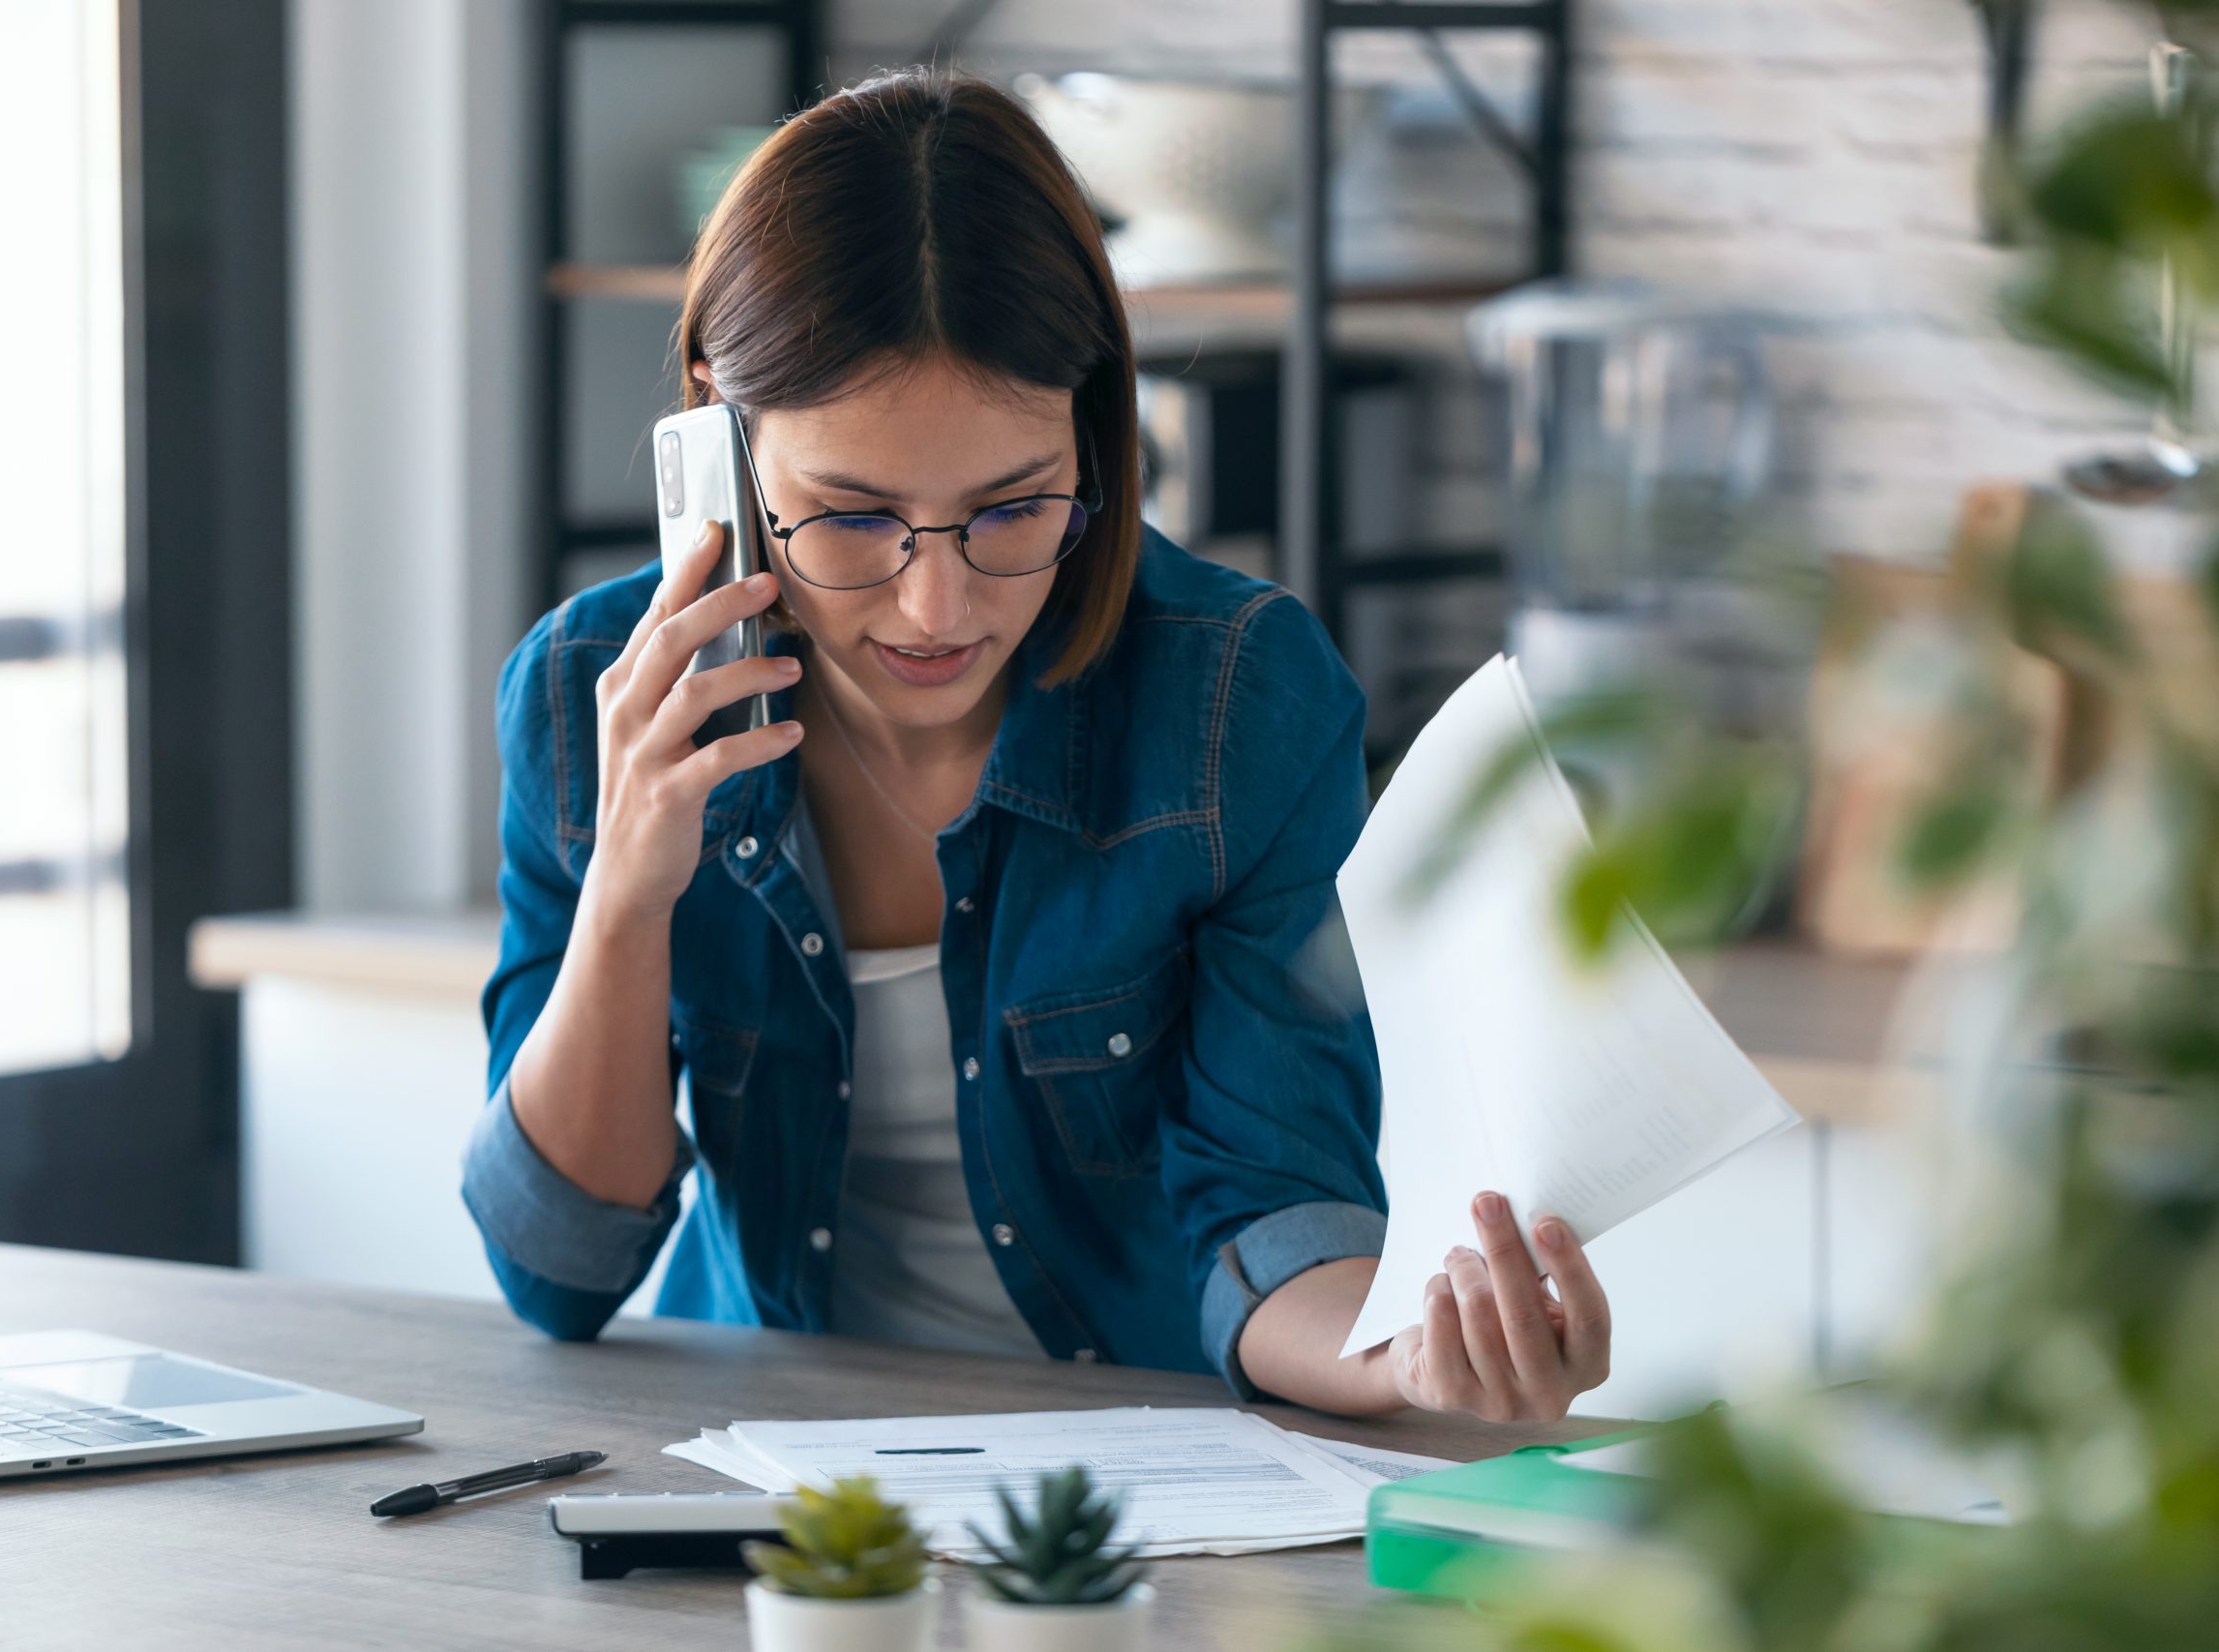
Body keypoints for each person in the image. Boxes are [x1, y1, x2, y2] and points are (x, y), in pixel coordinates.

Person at [464, 68, 1610, 1421]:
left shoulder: (1238, 700)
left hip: (1142, 1486)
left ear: (1094, 422)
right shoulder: (590, 697)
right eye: (851, 517)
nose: (936, 606)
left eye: (1013, 511)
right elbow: (555, 1274)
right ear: (716, 429)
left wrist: (1404, 1357)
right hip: (767, 1477)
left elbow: (1268, 1201)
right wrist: (627, 898)